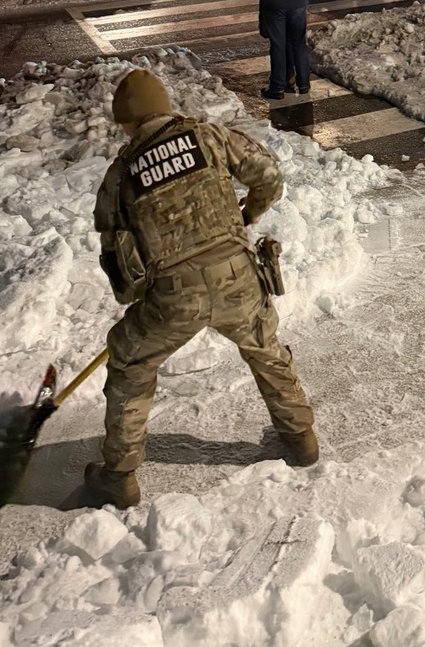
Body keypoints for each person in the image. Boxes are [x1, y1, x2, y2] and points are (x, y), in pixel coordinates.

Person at [86, 69, 318, 508]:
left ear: (127, 123)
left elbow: (119, 266)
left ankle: (119, 476)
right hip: (237, 275)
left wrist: (143, 299)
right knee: (265, 348)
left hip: (173, 294)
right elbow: (269, 177)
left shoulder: (120, 177)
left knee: (130, 365)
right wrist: (247, 215)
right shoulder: (210, 137)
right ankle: (301, 438)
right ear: (165, 107)